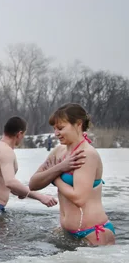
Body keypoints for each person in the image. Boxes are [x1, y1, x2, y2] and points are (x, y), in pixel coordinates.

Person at [29, 103, 115, 245]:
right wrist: (59, 167)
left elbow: (79, 198)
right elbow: (33, 184)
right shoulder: (59, 152)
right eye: (54, 128)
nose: (56, 133)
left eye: (61, 128)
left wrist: (55, 177)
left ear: (78, 124)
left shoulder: (86, 154)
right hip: (66, 232)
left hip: (93, 233)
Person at [0, 116, 57, 215]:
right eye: (24, 135)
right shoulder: (6, 151)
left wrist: (20, 192)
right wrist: (41, 197)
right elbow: (10, 182)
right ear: (19, 134)